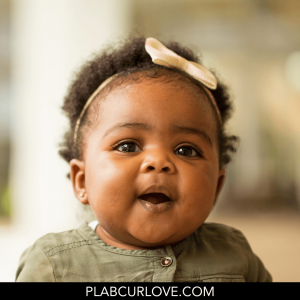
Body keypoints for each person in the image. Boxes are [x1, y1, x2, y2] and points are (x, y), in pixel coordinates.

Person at [16, 36, 272, 282]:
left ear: (216, 187)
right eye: (127, 146)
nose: (159, 161)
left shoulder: (234, 254)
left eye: (186, 150)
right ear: (82, 181)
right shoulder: (54, 266)